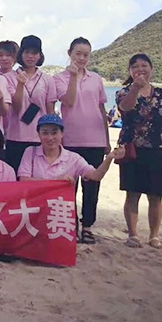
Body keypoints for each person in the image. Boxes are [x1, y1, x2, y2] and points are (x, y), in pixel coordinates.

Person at [116, 54, 162, 249]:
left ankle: (154, 235)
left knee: (156, 195)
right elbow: (125, 108)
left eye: (144, 65)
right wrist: (135, 88)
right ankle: (133, 234)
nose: (140, 69)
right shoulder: (123, 92)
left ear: (151, 69)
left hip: (159, 149)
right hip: (131, 149)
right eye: (135, 66)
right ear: (130, 71)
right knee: (132, 193)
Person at [53, 37, 111, 245]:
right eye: (78, 53)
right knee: (69, 187)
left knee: (92, 186)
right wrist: (73, 77)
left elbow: (101, 109)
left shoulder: (96, 79)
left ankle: (87, 226)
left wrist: (106, 139)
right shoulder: (59, 78)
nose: (81, 58)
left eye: (86, 55)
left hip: (95, 140)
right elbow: (68, 101)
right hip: (70, 140)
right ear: (70, 53)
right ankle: (69, 225)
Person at [18, 115, 123, 192]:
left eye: (54, 133)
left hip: (60, 208)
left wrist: (109, 158)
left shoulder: (73, 158)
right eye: (45, 133)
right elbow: (23, 181)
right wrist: (56, 181)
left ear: (62, 133)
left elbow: (95, 175)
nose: (50, 138)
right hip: (34, 206)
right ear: (39, 134)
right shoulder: (31, 152)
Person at [4, 35, 57, 171]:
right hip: (15, 137)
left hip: (40, 138)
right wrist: (20, 85)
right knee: (15, 177)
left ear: (40, 55)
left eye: (34, 53)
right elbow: (16, 107)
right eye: (27, 52)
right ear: (21, 54)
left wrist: (53, 136)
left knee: (38, 176)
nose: (30, 56)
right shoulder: (8, 78)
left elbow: (50, 111)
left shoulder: (47, 80)